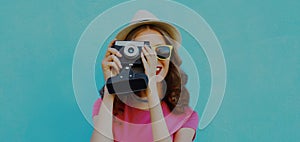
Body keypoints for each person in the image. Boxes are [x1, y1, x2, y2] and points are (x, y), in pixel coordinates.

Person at [91, 10, 199, 142]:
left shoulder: (186, 116)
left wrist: (151, 89)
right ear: (127, 57)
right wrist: (111, 85)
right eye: (143, 52)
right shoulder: (106, 106)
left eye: (161, 51)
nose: (152, 59)